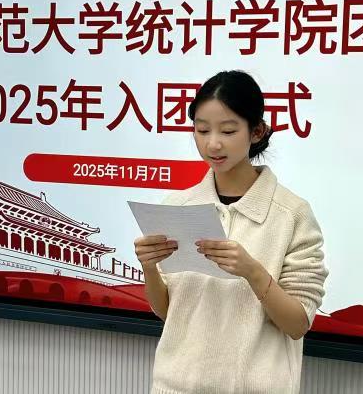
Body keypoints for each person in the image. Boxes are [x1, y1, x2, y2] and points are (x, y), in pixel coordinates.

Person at [134, 70, 329, 394]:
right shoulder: (178, 206)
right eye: (202, 130)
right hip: (175, 386)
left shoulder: (292, 215)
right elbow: (169, 312)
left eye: (228, 130)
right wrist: (150, 267)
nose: (213, 143)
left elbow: (297, 324)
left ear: (257, 131)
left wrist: (253, 271)